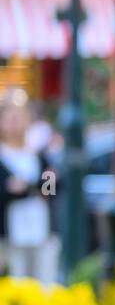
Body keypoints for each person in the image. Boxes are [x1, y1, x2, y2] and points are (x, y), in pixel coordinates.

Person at [0, 92, 59, 282]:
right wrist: (16, 191)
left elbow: (50, 188)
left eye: (19, 117)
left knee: (45, 284)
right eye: (9, 118)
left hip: (41, 231)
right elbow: (8, 191)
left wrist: (32, 187)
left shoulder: (37, 153)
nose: (14, 123)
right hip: (11, 236)